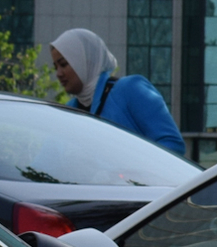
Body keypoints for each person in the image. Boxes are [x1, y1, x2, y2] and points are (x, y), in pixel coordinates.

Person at [48, 28, 186, 156]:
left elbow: (172, 144)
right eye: (56, 67)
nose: (58, 74)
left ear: (85, 61)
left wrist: (131, 172)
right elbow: (48, 162)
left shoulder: (130, 89)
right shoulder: (69, 112)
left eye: (64, 64)